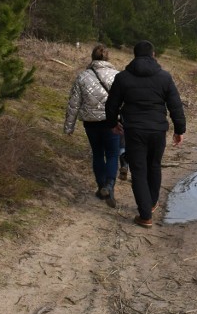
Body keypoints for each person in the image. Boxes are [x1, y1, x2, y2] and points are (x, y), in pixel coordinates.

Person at [105, 40, 186, 228]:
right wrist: (179, 130)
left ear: (134, 55)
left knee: (139, 170)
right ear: (153, 55)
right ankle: (151, 203)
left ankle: (145, 214)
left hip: (134, 131)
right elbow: (175, 106)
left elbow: (111, 104)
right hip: (158, 130)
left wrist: (112, 124)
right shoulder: (164, 77)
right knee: (154, 166)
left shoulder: (123, 77)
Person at [64, 44, 120, 208]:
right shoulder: (117, 76)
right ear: (108, 58)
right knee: (112, 154)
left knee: (97, 153)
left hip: (90, 123)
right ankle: (109, 186)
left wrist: (69, 126)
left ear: (92, 57)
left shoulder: (82, 77)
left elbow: (73, 104)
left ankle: (101, 186)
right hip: (111, 122)